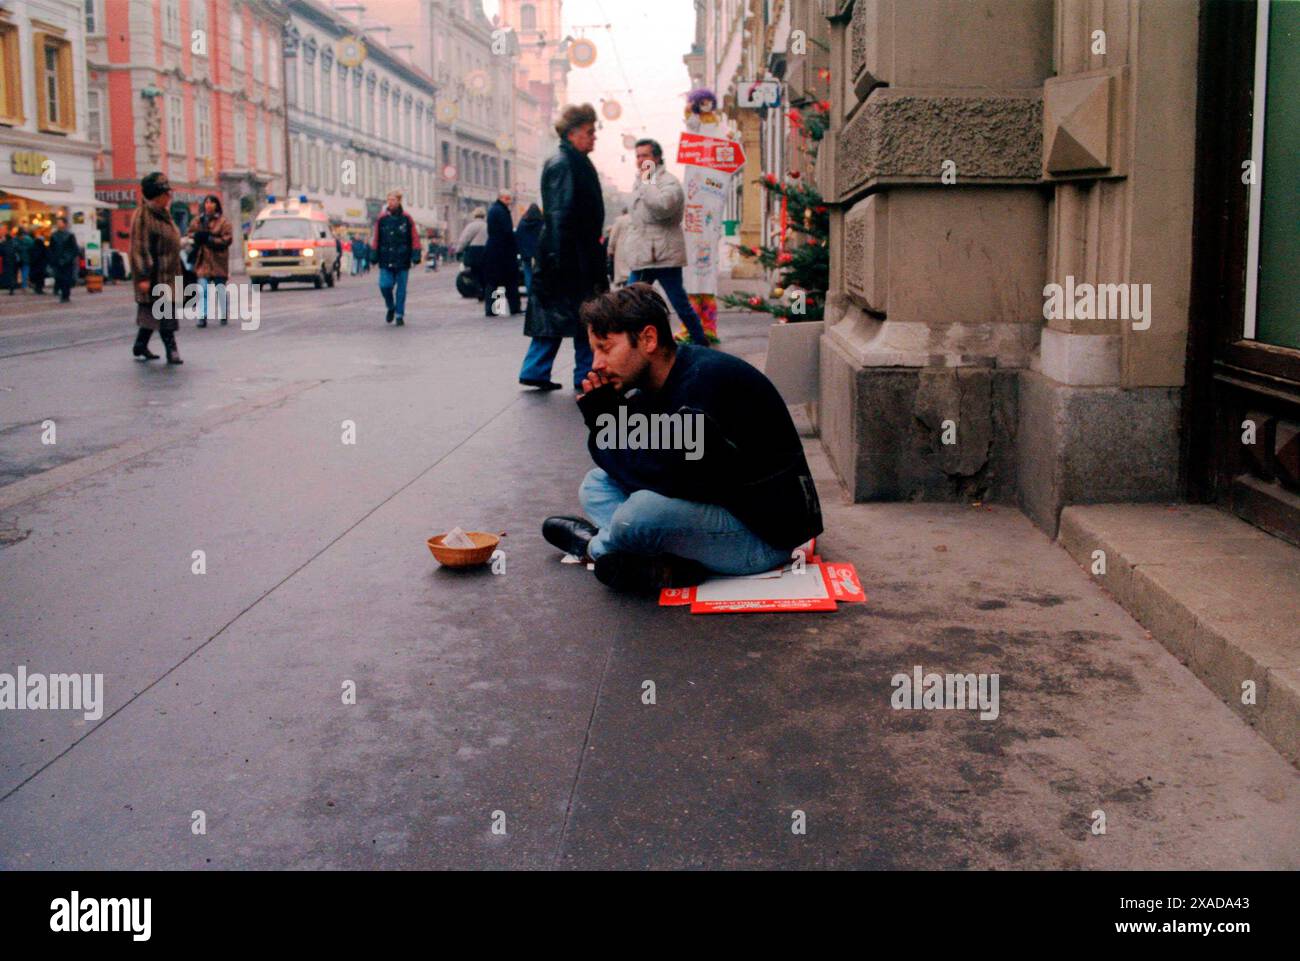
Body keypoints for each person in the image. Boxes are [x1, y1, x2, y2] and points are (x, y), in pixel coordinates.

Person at [541, 284, 823, 593]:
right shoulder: (656, 380)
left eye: (605, 348)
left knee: (639, 514)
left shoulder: (706, 383)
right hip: (709, 504)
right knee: (595, 484)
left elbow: (662, 478)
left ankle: (596, 547)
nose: (596, 363)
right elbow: (638, 461)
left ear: (648, 339)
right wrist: (606, 422)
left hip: (762, 537)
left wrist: (608, 425)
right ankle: (669, 566)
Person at [519, 103, 608, 391]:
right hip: (571, 254)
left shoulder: (572, 160)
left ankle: (536, 369)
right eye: (589, 132)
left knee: (559, 314)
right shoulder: (565, 164)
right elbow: (559, 215)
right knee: (583, 315)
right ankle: (584, 373)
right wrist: (559, 260)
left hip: (571, 252)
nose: (594, 137)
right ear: (572, 133)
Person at [624, 139, 710, 346]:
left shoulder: (668, 182)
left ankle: (699, 339)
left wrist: (647, 184)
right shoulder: (642, 182)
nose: (640, 160)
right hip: (646, 253)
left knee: (676, 302)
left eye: (645, 156)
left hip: (663, 254)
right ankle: (635, 342)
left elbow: (663, 207)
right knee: (631, 301)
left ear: (657, 158)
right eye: (637, 156)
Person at [129, 171, 184, 364]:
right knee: (162, 311)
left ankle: (140, 345)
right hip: (155, 275)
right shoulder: (144, 216)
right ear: (158, 195)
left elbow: (170, 240)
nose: (169, 196)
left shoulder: (164, 215)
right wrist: (143, 276)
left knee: (152, 313)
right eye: (166, 193)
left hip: (169, 273)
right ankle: (172, 349)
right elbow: (139, 247)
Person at [371, 188, 420, 326]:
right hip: (386, 257)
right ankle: (390, 306)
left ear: (399, 201)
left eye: (393, 200)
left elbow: (414, 237)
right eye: (389, 200)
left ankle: (399, 314)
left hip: (403, 258)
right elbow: (376, 238)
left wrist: (416, 254)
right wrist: (374, 254)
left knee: (401, 289)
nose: (390, 202)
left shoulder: (406, 218)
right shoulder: (382, 219)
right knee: (384, 285)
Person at [187, 194, 233, 326]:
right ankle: (202, 316)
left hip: (218, 260)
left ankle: (224, 314)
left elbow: (227, 239)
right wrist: (196, 236)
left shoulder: (223, 222)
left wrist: (211, 239)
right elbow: (190, 233)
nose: (208, 205)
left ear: (216, 205)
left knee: (220, 289)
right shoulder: (198, 220)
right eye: (206, 202)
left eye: (211, 202)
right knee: (203, 289)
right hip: (203, 260)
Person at [483, 191, 521, 317]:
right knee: (509, 281)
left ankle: (493, 309)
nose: (509, 200)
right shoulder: (501, 211)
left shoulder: (496, 209)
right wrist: (514, 246)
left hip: (495, 250)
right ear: (500, 198)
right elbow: (506, 232)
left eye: (510, 198)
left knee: (494, 282)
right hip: (502, 251)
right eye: (507, 198)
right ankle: (513, 308)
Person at [457, 208, 488, 299]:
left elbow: (464, 240)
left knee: (474, 272)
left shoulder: (471, 226)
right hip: (486, 252)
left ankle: (479, 289)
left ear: (474, 215)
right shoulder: (487, 225)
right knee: (484, 272)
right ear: (484, 216)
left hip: (474, 252)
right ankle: (484, 290)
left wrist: (458, 250)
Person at [48, 217, 80, 303]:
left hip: (67, 262)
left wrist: (67, 258)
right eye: (57, 223)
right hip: (57, 261)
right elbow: (51, 248)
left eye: (60, 222)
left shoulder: (69, 235)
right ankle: (63, 293)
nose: (58, 224)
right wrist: (52, 259)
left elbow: (74, 249)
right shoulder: (54, 235)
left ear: (64, 224)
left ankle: (66, 295)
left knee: (67, 278)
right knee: (59, 278)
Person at [515, 203, 543, 297]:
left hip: (525, 252)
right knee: (539, 272)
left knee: (527, 272)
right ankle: (538, 292)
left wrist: (520, 250)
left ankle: (529, 292)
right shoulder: (541, 222)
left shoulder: (522, 222)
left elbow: (518, 236)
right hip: (538, 252)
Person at [606, 207, 632, 287]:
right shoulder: (634, 218)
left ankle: (625, 286)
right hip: (633, 247)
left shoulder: (619, 220)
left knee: (623, 272)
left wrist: (610, 248)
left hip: (621, 247)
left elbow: (613, 236)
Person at [13, 225, 33, 291]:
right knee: (25, 272)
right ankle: (23, 285)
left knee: (19, 272)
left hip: (19, 258)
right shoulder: (28, 239)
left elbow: (14, 247)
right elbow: (32, 246)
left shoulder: (15, 239)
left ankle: (18, 285)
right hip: (25, 258)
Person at [0, 224, 16, 295]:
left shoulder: (7, 241)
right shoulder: (11, 241)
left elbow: (3, 250)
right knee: (10, 274)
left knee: (9, 274)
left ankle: (10, 287)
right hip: (9, 259)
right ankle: (10, 287)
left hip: (7, 259)